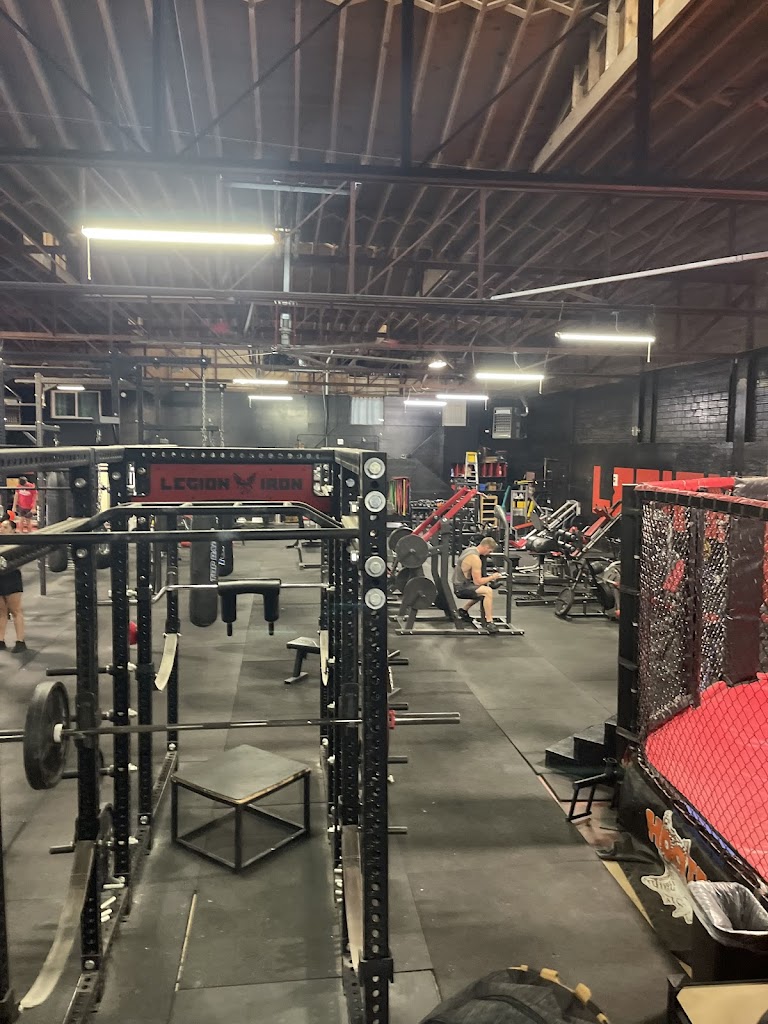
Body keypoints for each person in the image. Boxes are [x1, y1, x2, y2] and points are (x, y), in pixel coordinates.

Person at [453, 536, 503, 634]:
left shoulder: (470, 550)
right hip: (461, 588)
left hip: (460, 583)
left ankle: (463, 610)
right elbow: (478, 582)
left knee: (482, 589)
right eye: (489, 551)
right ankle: (489, 622)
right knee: (487, 592)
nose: (489, 554)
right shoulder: (475, 559)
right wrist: (492, 577)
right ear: (486, 547)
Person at [0, 518, 26, 653]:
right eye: (1, 527)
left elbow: (20, 562)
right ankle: (0, 640)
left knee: (15, 610)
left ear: (12, 530)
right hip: (0, 577)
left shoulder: (16, 544)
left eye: (5, 527)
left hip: (12, 577)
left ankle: (20, 641)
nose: (1, 529)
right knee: (1, 611)